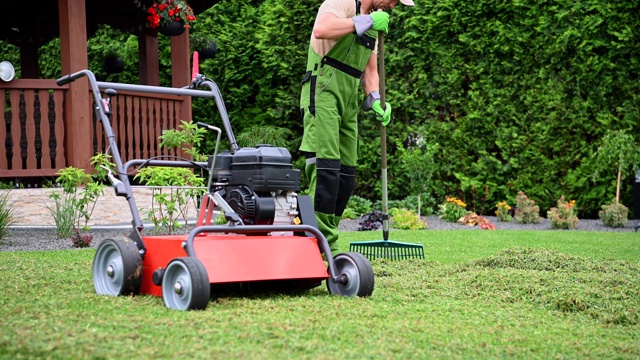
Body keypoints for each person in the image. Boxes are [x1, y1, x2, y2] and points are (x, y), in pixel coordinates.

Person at [299, 0, 414, 255]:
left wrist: (375, 100)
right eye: (394, 0)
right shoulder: (343, 3)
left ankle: (323, 232)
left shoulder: (373, 22)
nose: (393, 6)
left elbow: (370, 73)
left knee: (347, 175)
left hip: (349, 98)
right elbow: (321, 29)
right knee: (326, 168)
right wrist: (367, 21)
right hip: (324, 89)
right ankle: (322, 241)